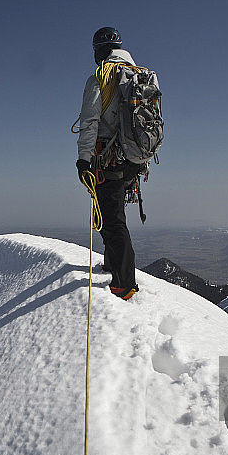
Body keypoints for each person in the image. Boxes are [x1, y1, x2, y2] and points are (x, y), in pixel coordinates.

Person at [76, 27, 142, 301]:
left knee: (111, 220)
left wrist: (83, 159)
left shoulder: (101, 78)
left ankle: (124, 284)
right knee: (112, 213)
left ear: (99, 50)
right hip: (133, 159)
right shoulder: (137, 74)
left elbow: (90, 121)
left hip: (108, 157)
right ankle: (113, 264)